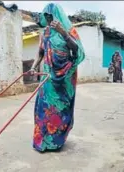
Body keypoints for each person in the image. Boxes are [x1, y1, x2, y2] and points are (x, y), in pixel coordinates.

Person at [29, 3, 85, 153]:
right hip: (47, 78)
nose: (48, 20)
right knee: (43, 108)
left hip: (64, 80)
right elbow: (41, 53)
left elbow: (76, 51)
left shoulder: (69, 30)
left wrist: (63, 33)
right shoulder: (46, 33)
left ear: (57, 16)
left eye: (50, 16)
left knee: (60, 110)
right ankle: (42, 141)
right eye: (45, 17)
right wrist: (34, 67)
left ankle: (55, 142)